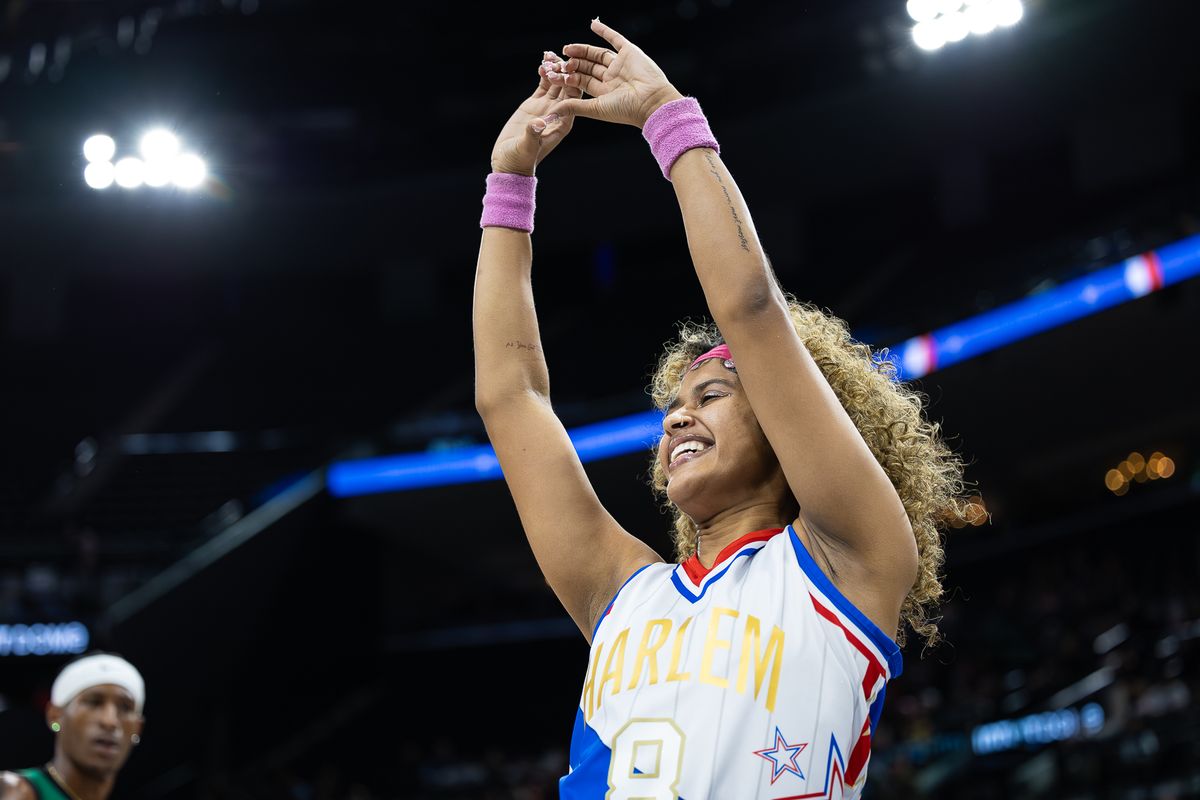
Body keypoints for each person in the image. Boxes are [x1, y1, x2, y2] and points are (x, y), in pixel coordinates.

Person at [474, 21, 966, 799]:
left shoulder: (848, 563)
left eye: (710, 395)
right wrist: (510, 183)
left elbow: (751, 309)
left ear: (784, 419)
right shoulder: (621, 592)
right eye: (672, 406)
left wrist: (668, 116)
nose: (675, 419)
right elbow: (511, 398)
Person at [0, 653, 145, 800]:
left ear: (137, 728)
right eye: (93, 702)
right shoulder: (17, 791)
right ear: (55, 715)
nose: (110, 721)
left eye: (125, 707)